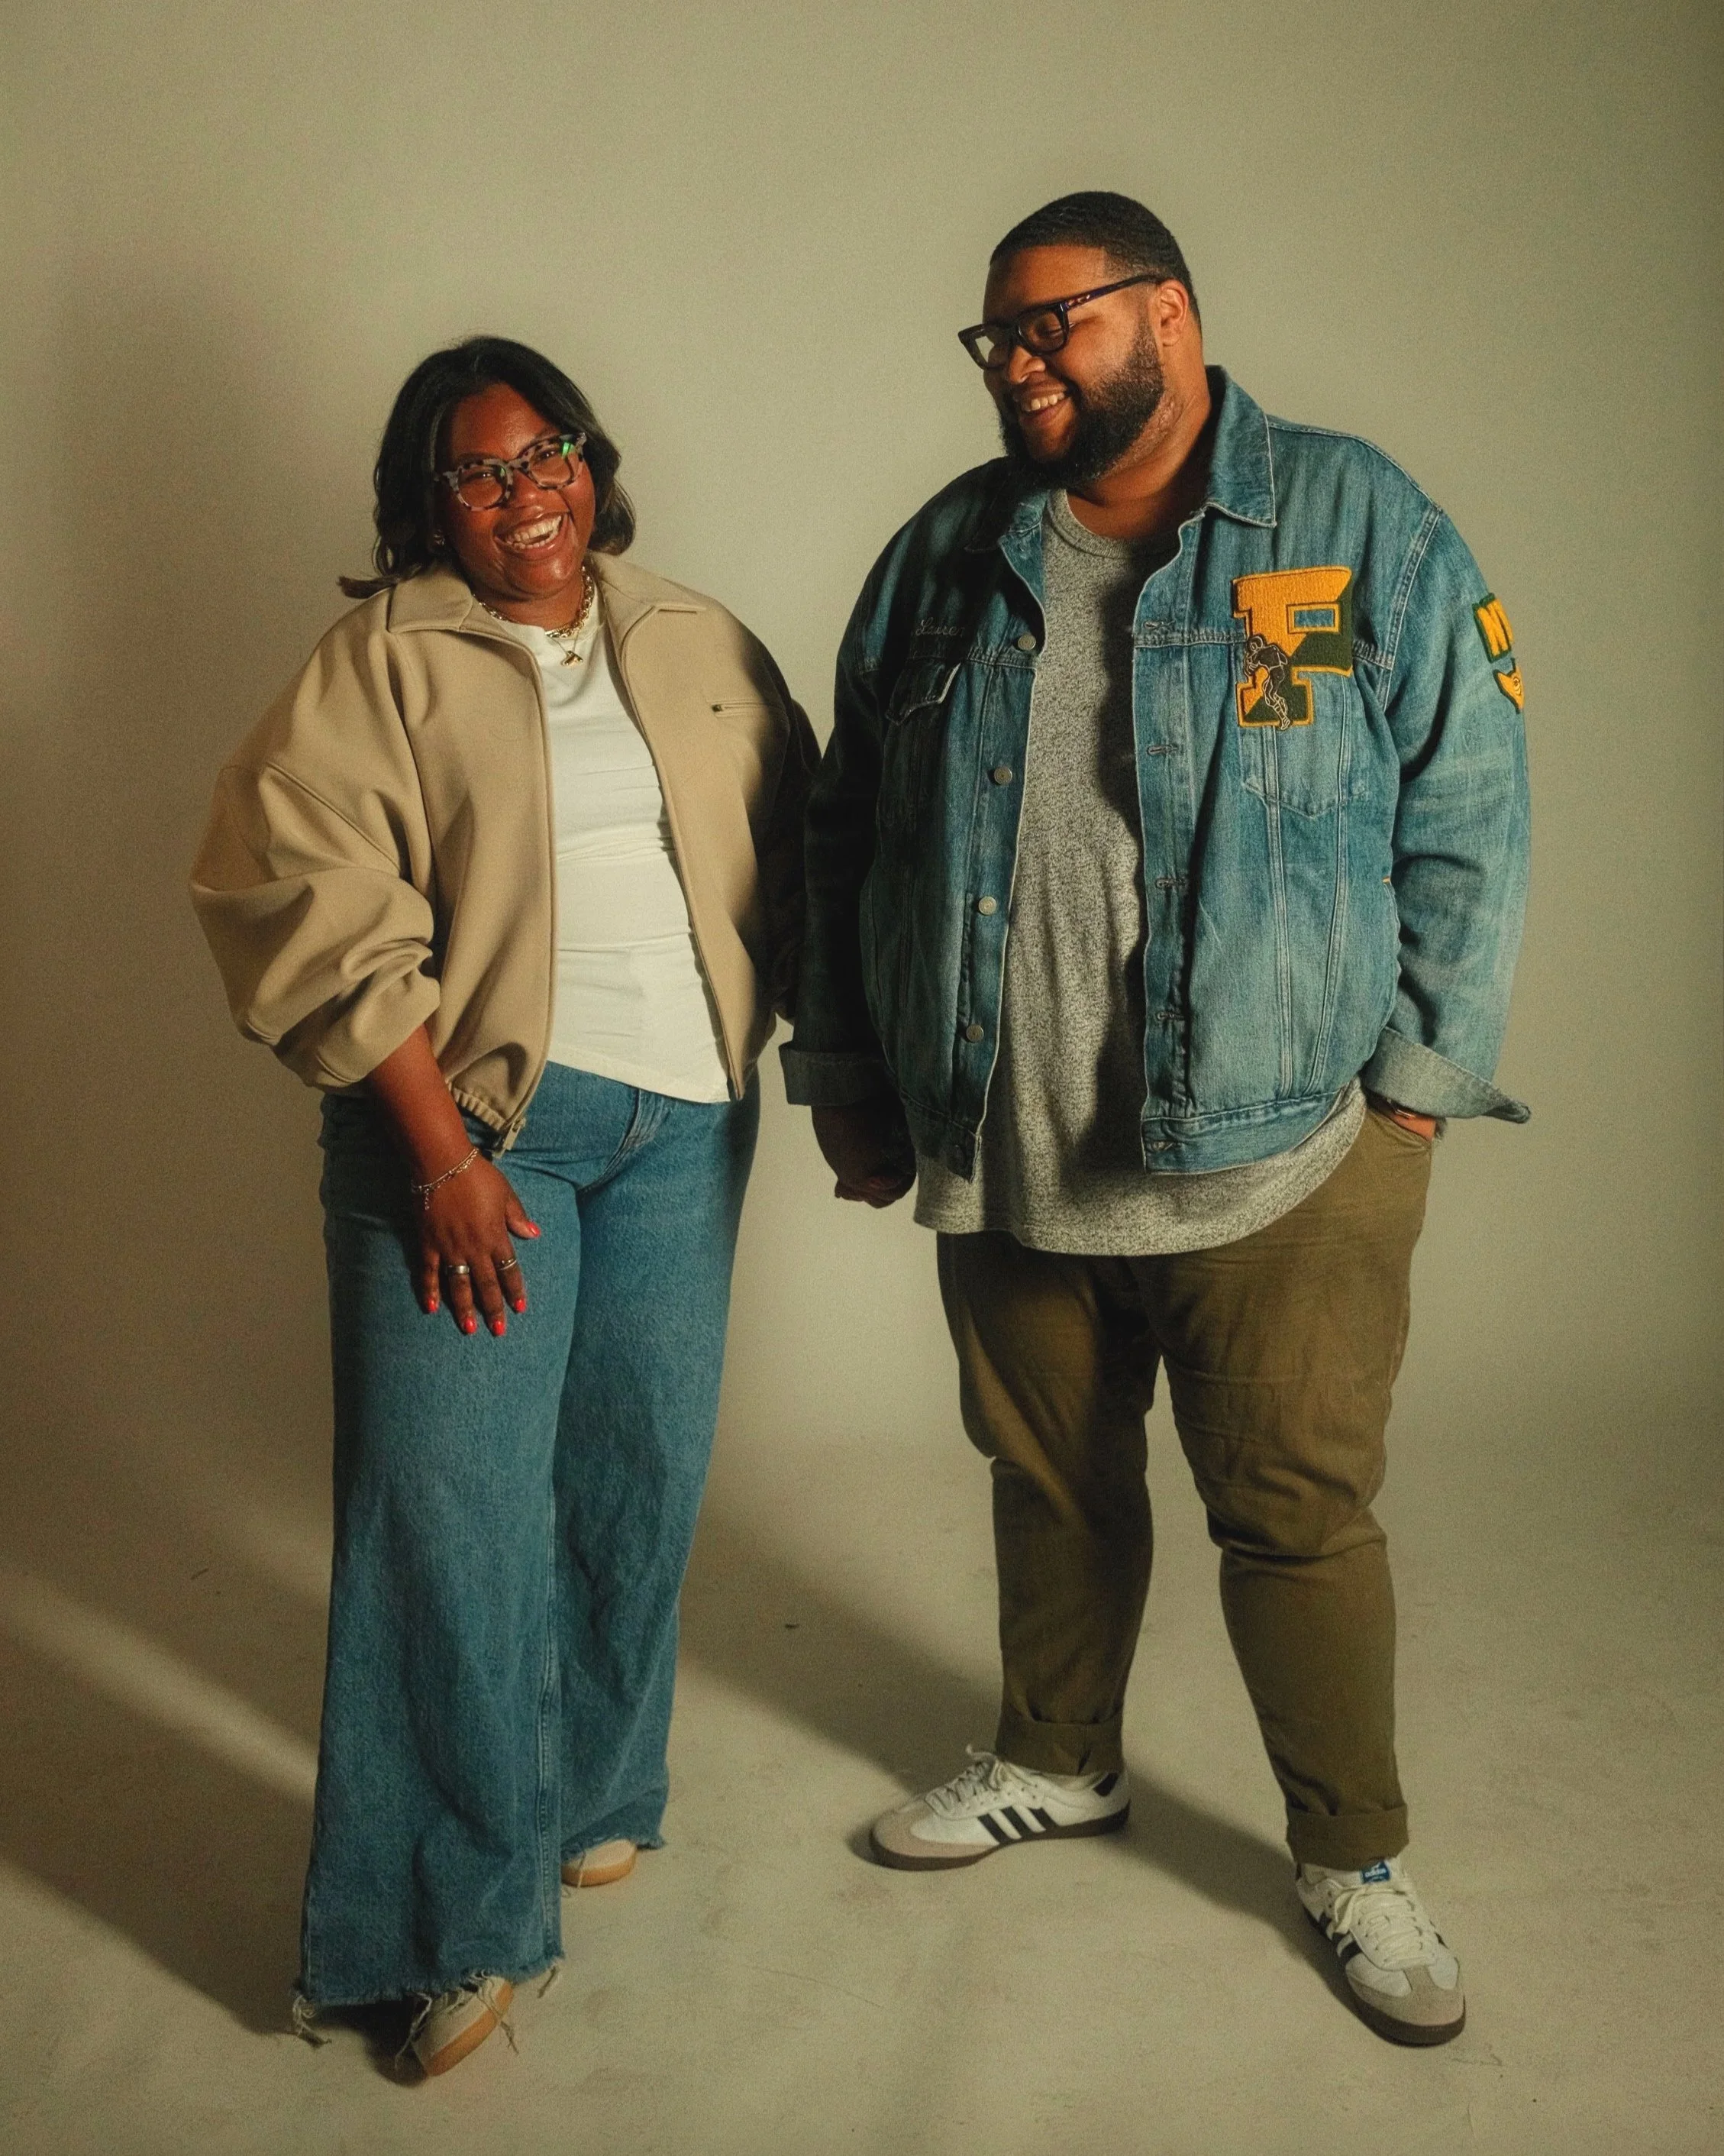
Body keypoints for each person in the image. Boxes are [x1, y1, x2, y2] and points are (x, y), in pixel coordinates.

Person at [783, 193, 1529, 2047]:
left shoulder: (1354, 524)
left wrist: (1413, 1100)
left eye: (1053, 327)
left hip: (1285, 1159)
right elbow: (844, 818)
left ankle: (1347, 1853)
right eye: (996, 341)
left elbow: (1473, 808)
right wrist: (856, 1072)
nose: (1019, 365)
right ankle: (1059, 1756)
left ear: (1170, 315)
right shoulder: (950, 552)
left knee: (1291, 1518)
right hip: (1005, 1140)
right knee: (1046, 1485)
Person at [192, 335, 814, 2075]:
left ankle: (594, 1789)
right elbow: (294, 892)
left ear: (591, 462)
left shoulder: (693, 638)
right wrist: (446, 1158)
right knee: (446, 1516)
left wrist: (833, 1064)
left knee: (633, 1472)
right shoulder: (376, 662)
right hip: (475, 1139)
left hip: (686, 1124)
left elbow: (800, 848)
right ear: (427, 504)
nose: (524, 493)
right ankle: (443, 1930)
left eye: (547, 453)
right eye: (477, 471)